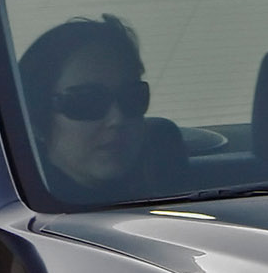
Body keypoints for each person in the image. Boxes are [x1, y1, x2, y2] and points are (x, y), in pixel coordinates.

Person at [18, 15, 161, 201]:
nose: (117, 119)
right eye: (87, 101)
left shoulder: (171, 192)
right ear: (36, 117)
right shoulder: (24, 210)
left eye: (132, 97)